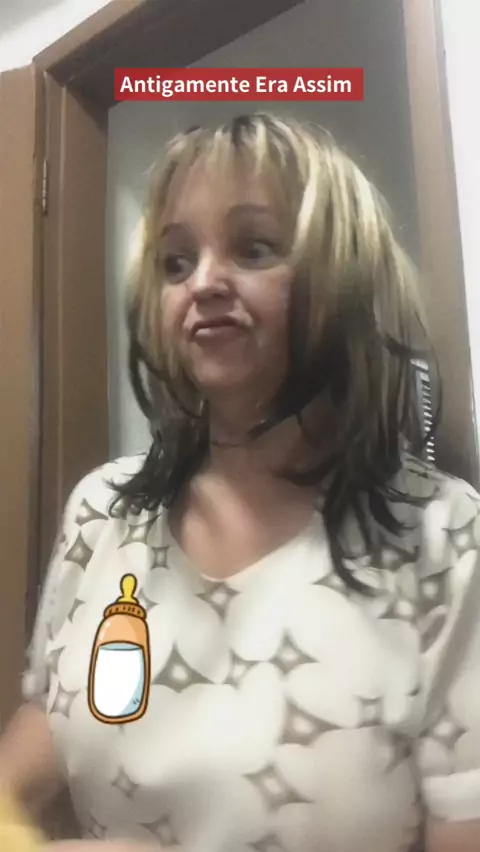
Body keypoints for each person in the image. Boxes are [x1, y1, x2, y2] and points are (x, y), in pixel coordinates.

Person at [1, 112, 480, 852]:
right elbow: (36, 746)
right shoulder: (101, 511)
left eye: (254, 248)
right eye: (176, 262)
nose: (203, 283)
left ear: (345, 273)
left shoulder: (446, 538)